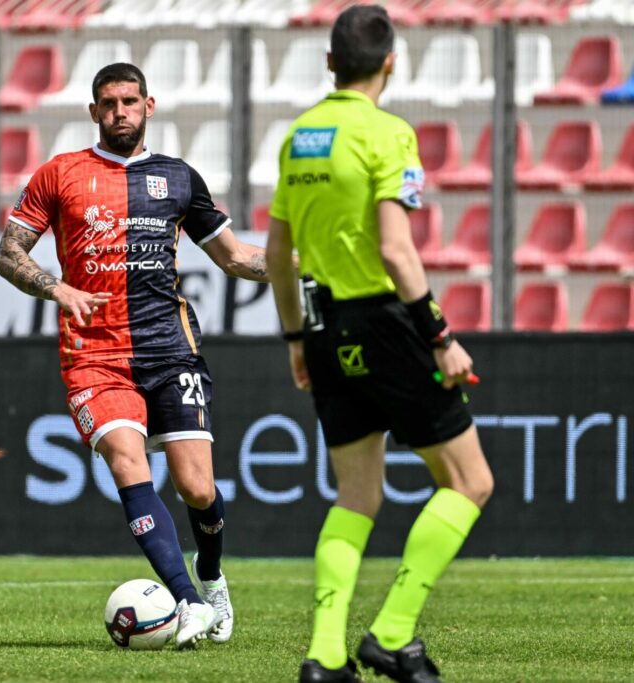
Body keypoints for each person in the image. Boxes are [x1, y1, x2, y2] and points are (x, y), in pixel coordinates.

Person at [0, 62, 268, 649]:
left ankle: (211, 577)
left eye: (129, 101)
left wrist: (306, 264)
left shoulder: (179, 178)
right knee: (126, 460)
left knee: (198, 488)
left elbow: (236, 257)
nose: (120, 112)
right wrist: (56, 288)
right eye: (109, 103)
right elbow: (8, 253)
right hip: (95, 354)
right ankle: (187, 603)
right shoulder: (60, 174)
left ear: (149, 105)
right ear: (94, 111)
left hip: (171, 350)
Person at [264, 6, 494, 683]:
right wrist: (440, 336)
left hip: (322, 326)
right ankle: (391, 634)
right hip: (386, 323)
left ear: (329, 64)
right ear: (391, 61)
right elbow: (396, 250)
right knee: (470, 481)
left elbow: (277, 253)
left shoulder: (298, 136)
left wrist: (295, 337)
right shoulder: (389, 133)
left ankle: (325, 655)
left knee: (356, 496)